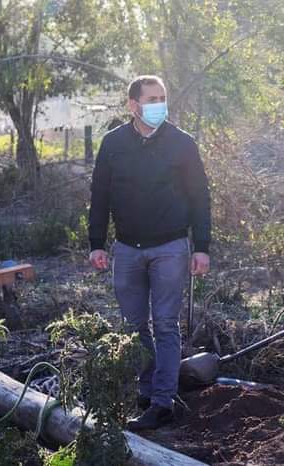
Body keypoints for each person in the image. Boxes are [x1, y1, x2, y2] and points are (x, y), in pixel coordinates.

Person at [88, 75, 211, 431]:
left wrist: (201, 247)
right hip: (126, 249)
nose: (159, 103)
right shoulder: (113, 144)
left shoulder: (182, 144)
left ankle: (162, 402)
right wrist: (97, 243)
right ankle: (145, 393)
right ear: (133, 105)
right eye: (152, 98)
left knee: (166, 325)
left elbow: (200, 198)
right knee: (133, 326)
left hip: (171, 248)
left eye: (163, 97)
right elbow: (100, 198)